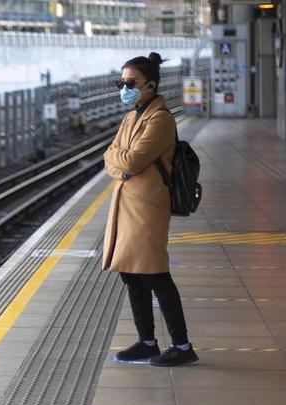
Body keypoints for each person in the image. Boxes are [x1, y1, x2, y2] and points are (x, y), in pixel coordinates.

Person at [102, 52, 198, 366]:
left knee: (155, 275)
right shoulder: (132, 117)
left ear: (150, 85)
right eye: (121, 82)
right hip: (127, 207)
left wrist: (122, 163)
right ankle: (147, 341)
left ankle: (182, 346)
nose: (124, 87)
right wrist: (122, 165)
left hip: (147, 209)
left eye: (130, 82)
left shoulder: (161, 119)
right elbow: (110, 157)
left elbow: (129, 160)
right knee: (131, 275)